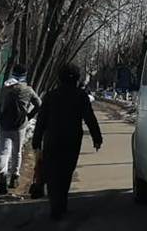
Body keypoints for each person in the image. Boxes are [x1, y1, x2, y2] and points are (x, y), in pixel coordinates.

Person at [32, 63, 103, 220]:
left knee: (52, 172)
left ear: (59, 78)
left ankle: (55, 205)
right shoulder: (81, 96)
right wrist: (97, 138)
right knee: (66, 171)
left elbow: (41, 120)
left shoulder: (50, 96)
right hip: (72, 140)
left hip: (52, 139)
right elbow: (89, 118)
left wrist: (36, 140)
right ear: (77, 79)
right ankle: (61, 202)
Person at [0, 64, 41, 194]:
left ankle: (2, 179)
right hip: (20, 126)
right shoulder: (28, 90)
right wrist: (28, 116)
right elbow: (39, 104)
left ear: (12, 73)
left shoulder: (4, 89)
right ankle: (14, 177)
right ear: (25, 75)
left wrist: (1, 115)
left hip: (4, 125)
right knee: (16, 152)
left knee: (3, 153)